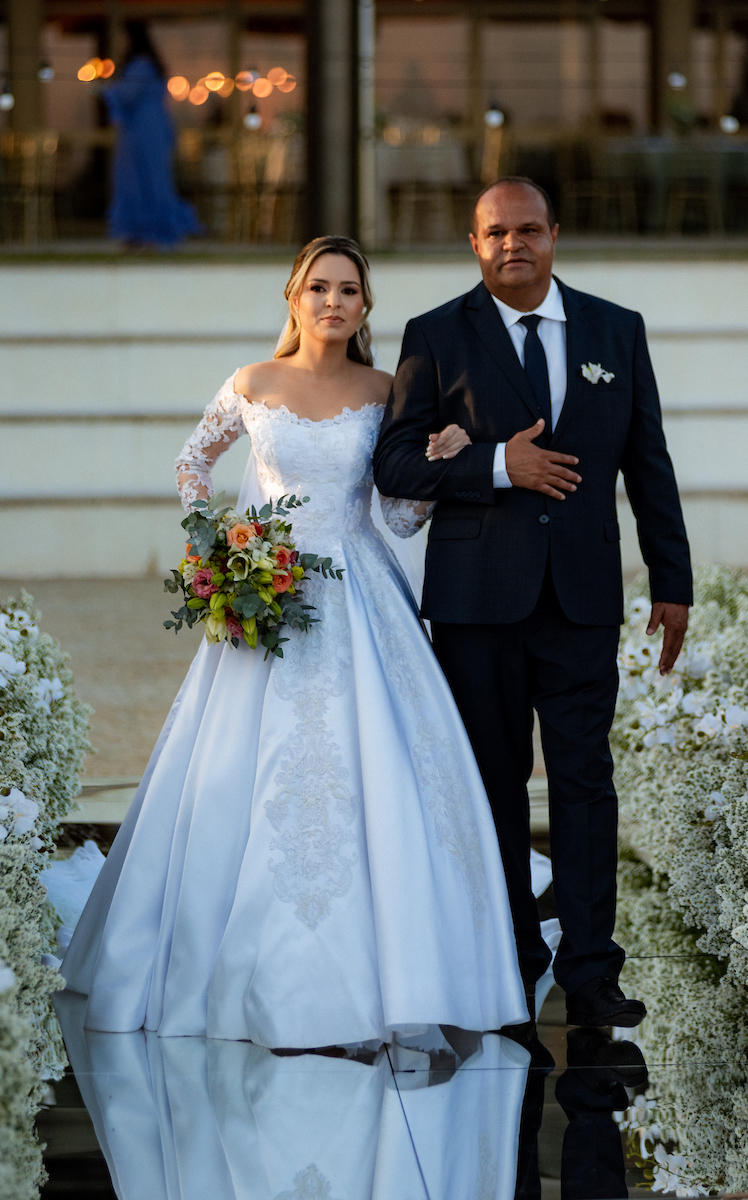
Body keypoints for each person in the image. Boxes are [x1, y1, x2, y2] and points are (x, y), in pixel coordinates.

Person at [60, 235, 530, 1049]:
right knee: (244, 770)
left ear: (364, 307)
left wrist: (436, 460)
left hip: (361, 592)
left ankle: (400, 966)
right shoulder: (252, 383)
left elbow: (395, 515)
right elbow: (191, 461)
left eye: (349, 290)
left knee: (375, 768)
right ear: (293, 297)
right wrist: (222, 547)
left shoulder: (387, 390)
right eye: (319, 287)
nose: (333, 302)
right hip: (265, 594)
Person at [373, 176, 693, 1029]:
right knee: (493, 785)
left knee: (586, 784)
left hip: (582, 597)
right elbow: (395, 466)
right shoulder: (436, 335)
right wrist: (491, 465)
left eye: (526, 229)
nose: (511, 243)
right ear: (473, 245)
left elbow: (646, 462)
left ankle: (591, 971)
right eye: (493, 233)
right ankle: (508, 958)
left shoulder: (613, 331)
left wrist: (672, 580)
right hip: (477, 603)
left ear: (554, 234)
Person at [105, 21, 201, 248]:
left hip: (143, 131)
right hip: (153, 129)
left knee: (141, 179)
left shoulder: (140, 65)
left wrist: (105, 90)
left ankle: (148, 232)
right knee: (152, 178)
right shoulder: (151, 65)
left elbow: (126, 95)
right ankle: (148, 232)